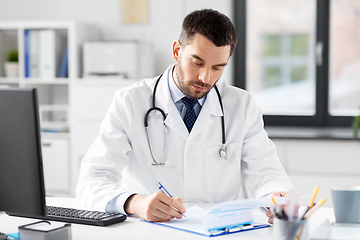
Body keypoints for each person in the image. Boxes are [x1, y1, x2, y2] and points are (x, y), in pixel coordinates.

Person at [76, 9, 295, 223]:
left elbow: (267, 173)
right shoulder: (130, 102)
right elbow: (92, 180)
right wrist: (134, 203)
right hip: (151, 232)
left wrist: (275, 197)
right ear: (176, 51)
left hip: (222, 231)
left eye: (218, 67)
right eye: (197, 62)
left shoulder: (242, 106)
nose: (205, 77)